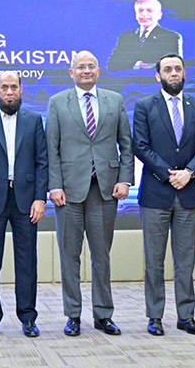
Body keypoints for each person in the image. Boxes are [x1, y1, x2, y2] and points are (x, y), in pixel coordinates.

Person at [46, 51, 134, 337]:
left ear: (98, 71)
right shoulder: (57, 103)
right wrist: (54, 185)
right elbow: (52, 149)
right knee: (70, 256)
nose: (85, 70)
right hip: (69, 192)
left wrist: (126, 180)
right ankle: (73, 315)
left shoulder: (115, 100)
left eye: (90, 66)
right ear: (71, 73)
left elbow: (126, 145)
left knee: (102, 256)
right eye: (80, 67)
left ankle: (103, 315)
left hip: (105, 190)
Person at [133, 53, 195, 336]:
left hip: (188, 193)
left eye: (178, 68)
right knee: (154, 260)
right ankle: (154, 316)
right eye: (168, 69)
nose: (174, 73)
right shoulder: (144, 106)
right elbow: (140, 146)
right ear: (158, 76)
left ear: (184, 73)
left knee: (185, 261)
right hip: (156, 193)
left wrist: (189, 172)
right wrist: (169, 174)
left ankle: (186, 316)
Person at [0, 71, 48, 338]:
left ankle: (28, 317)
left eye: (14, 87)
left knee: (27, 261)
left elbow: (42, 163)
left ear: (22, 89)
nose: (10, 92)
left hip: (27, 201)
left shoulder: (35, 120)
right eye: (5, 87)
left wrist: (40, 198)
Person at [107, 0, 183, 72]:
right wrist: (138, 65)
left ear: (160, 15)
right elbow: (112, 65)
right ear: (136, 15)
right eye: (140, 10)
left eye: (149, 10)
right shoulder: (125, 37)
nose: (144, 14)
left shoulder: (171, 37)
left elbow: (173, 67)